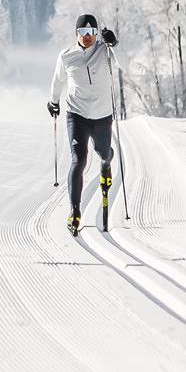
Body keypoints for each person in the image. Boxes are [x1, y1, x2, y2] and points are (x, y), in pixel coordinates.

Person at [49, 14, 118, 236]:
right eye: (82, 33)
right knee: (78, 159)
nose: (87, 37)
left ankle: (107, 163)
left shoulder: (105, 50)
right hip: (76, 114)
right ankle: (75, 211)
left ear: (96, 33)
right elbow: (58, 80)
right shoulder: (67, 56)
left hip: (102, 116)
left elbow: (123, 64)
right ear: (76, 34)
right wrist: (53, 101)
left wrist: (114, 43)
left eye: (91, 33)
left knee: (103, 152)